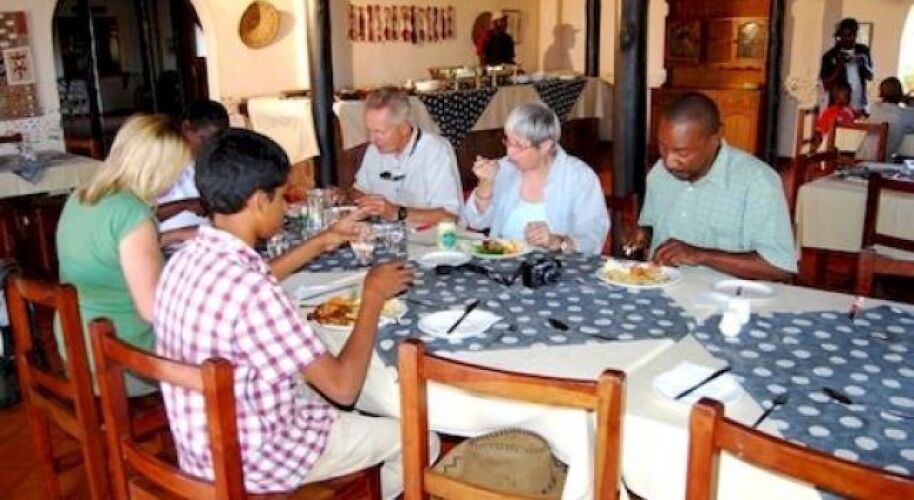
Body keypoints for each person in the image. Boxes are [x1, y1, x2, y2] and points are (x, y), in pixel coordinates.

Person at [155, 128, 437, 498]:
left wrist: (323, 240)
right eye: (282, 197)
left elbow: (257, 276)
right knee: (421, 437)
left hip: (201, 448)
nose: (286, 208)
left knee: (316, 383)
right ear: (259, 201)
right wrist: (372, 297)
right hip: (258, 459)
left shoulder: (184, 260)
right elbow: (344, 388)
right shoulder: (255, 292)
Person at [56, 114, 192, 396]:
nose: (177, 178)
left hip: (74, 341)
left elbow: (109, 249)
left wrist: (174, 235)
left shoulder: (82, 195)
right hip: (118, 358)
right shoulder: (134, 215)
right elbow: (153, 310)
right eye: (176, 171)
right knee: (224, 353)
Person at [624, 93, 796, 282]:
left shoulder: (757, 181)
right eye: (663, 148)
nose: (669, 161)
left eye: (682, 152)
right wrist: (643, 235)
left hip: (726, 294)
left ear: (714, 140)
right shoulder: (660, 172)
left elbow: (779, 267)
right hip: (660, 285)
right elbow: (652, 226)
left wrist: (700, 255)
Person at [464, 102, 609, 254]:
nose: (510, 152)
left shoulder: (578, 177)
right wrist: (486, 183)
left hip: (557, 265)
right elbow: (476, 222)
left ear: (545, 146)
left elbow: (593, 237)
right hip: (503, 261)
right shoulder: (504, 168)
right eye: (508, 141)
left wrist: (556, 241)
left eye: (518, 145)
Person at [353, 87, 462, 224]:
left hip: (435, 235)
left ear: (404, 128)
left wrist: (396, 212)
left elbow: (449, 216)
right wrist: (345, 197)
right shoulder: (374, 149)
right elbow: (360, 190)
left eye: (380, 132)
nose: (372, 139)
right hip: (387, 233)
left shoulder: (435, 150)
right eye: (370, 131)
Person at [157, 100, 230, 247]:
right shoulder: (159, 162)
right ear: (186, 127)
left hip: (205, 243)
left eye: (214, 141)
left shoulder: (212, 163)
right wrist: (185, 205)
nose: (207, 147)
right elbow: (139, 215)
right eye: (203, 140)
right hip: (166, 245)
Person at [820, 17, 874, 115]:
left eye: (851, 35)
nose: (848, 39)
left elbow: (870, 76)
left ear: (856, 34)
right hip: (838, 107)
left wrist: (863, 63)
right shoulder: (830, 55)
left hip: (859, 106)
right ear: (839, 35)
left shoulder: (863, 51)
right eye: (844, 35)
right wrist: (839, 67)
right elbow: (826, 85)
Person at [858, 77, 914, 160]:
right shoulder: (904, 114)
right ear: (900, 94)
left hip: (860, 157)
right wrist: (907, 100)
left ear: (881, 94)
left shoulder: (875, 108)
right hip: (880, 162)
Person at [813, 80, 858, 147]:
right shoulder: (829, 112)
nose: (848, 96)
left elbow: (857, 124)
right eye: (845, 93)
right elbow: (818, 132)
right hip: (830, 143)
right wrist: (820, 146)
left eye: (849, 94)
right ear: (836, 95)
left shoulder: (851, 111)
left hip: (846, 143)